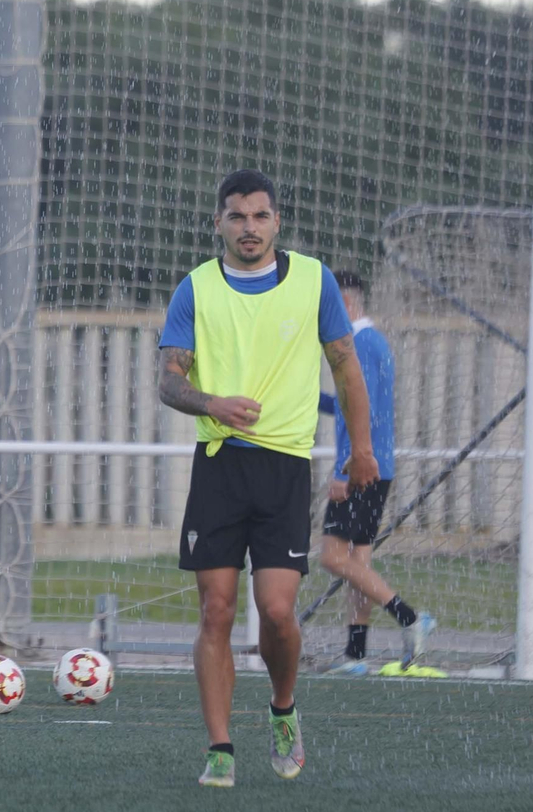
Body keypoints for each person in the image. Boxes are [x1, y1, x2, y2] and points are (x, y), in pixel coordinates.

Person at [157, 169, 380, 789]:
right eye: (236, 216)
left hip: (284, 466)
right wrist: (212, 404)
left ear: (277, 221)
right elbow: (168, 381)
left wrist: (359, 450)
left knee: (277, 611)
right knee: (216, 612)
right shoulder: (195, 288)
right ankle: (221, 748)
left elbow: (346, 368)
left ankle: (283, 709)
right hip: (220, 466)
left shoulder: (313, 280)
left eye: (260, 216)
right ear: (219, 224)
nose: (248, 227)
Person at [317, 270, 435, 675]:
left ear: (345, 304)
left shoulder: (360, 344)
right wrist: (309, 399)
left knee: (332, 557)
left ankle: (410, 618)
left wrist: (344, 468)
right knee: (357, 563)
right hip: (376, 466)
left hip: (362, 468)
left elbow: (362, 412)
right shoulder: (372, 343)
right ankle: (356, 655)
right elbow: (350, 404)